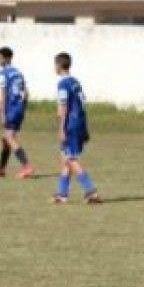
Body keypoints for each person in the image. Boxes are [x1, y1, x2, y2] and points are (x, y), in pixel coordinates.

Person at [52, 52, 100, 204]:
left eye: (55, 65)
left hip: (70, 125)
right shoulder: (76, 82)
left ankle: (91, 192)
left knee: (71, 159)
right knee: (66, 158)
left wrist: (61, 129)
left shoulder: (63, 84)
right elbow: (82, 103)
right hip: (79, 122)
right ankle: (61, 194)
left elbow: (63, 107)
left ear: (59, 66)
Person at [0, 46, 35, 179]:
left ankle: (27, 166)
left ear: (6, 58)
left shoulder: (3, 73)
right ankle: (1, 169)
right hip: (19, 108)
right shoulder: (18, 73)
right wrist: (23, 107)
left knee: (9, 138)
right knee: (6, 139)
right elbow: (26, 93)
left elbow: (3, 94)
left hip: (10, 109)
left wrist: (2, 113)